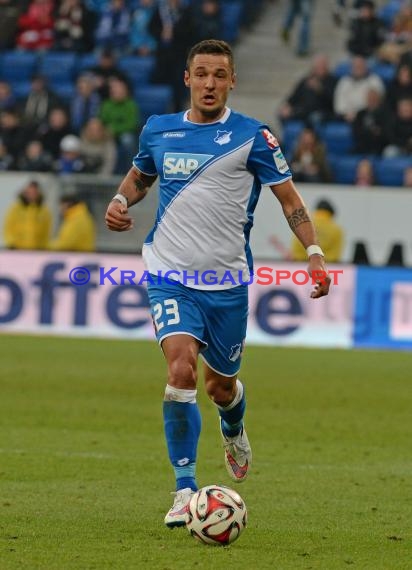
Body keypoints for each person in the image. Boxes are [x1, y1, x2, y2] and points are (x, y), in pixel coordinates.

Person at [104, 39, 331, 528]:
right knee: (180, 370)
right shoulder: (158, 130)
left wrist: (313, 252)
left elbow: (289, 200)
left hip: (225, 282)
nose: (210, 83)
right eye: (201, 73)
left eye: (219, 75)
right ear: (187, 78)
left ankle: (233, 427)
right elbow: (140, 177)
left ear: (232, 81)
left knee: (219, 386)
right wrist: (121, 202)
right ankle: (185, 490)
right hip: (169, 274)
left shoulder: (254, 137)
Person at [3, 180, 52, 250]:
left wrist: (44, 246)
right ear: (25, 192)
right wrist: (11, 243)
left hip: (37, 249)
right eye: (30, 192)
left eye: (34, 192)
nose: (32, 195)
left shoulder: (44, 211)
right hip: (17, 248)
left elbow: (47, 231)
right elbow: (8, 227)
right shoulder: (15, 208)